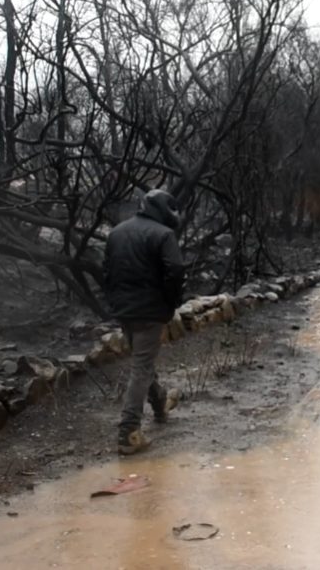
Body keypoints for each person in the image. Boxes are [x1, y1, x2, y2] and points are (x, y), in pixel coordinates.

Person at [104, 188, 185, 455]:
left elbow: (107, 270)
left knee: (142, 361)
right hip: (150, 311)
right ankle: (128, 432)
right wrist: (171, 301)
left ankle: (160, 403)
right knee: (141, 367)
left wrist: (115, 302)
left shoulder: (117, 232)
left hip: (124, 309)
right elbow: (175, 270)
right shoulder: (164, 235)